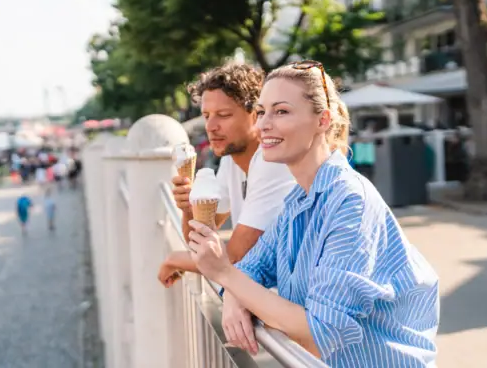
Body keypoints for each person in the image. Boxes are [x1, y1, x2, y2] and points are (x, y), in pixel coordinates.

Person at [186, 61, 439, 366]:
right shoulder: (298, 200)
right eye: (262, 111)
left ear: (323, 120)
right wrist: (234, 295)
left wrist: (224, 274)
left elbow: (321, 334)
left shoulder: (350, 202)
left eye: (281, 111)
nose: (263, 125)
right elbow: (251, 268)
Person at [158, 63, 296, 287]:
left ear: (256, 115)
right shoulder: (231, 161)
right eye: (206, 115)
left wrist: (176, 260)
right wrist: (188, 207)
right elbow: (200, 244)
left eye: (223, 115)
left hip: (296, 309)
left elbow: (235, 258)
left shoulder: (273, 162)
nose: (211, 126)